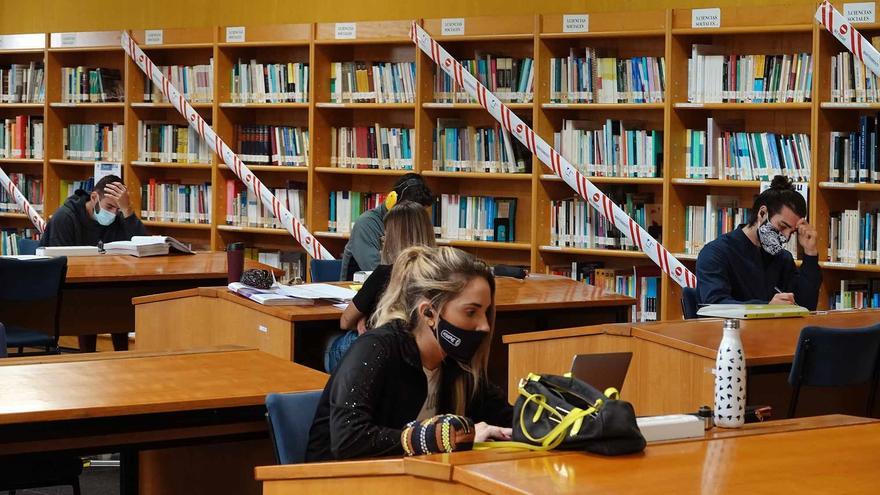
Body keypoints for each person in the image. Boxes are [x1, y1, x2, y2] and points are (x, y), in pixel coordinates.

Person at [307, 246, 513, 461]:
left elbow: (505, 415)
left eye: (485, 312)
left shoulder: (456, 364)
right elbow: (348, 439)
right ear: (428, 312)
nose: (484, 326)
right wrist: (441, 438)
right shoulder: (377, 348)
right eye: (471, 312)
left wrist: (544, 415)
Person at [41, 174, 146, 351]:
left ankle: (122, 357)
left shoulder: (118, 217)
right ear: (94, 197)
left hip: (109, 287)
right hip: (71, 291)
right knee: (91, 304)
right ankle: (87, 356)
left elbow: (143, 246)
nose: (113, 214)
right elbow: (56, 263)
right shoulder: (65, 218)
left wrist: (127, 211)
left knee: (119, 301)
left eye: (118, 209)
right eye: (109, 207)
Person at [696, 175, 820, 310]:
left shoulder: (783, 258)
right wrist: (766, 307)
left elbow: (806, 307)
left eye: (792, 232)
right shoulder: (716, 253)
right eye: (782, 226)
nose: (786, 236)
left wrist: (810, 253)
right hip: (730, 330)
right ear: (762, 213)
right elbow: (714, 305)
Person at [339, 173, 433, 281]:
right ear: (393, 202)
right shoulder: (366, 224)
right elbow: (377, 273)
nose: (417, 220)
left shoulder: (416, 224)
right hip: (360, 291)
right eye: (412, 215)